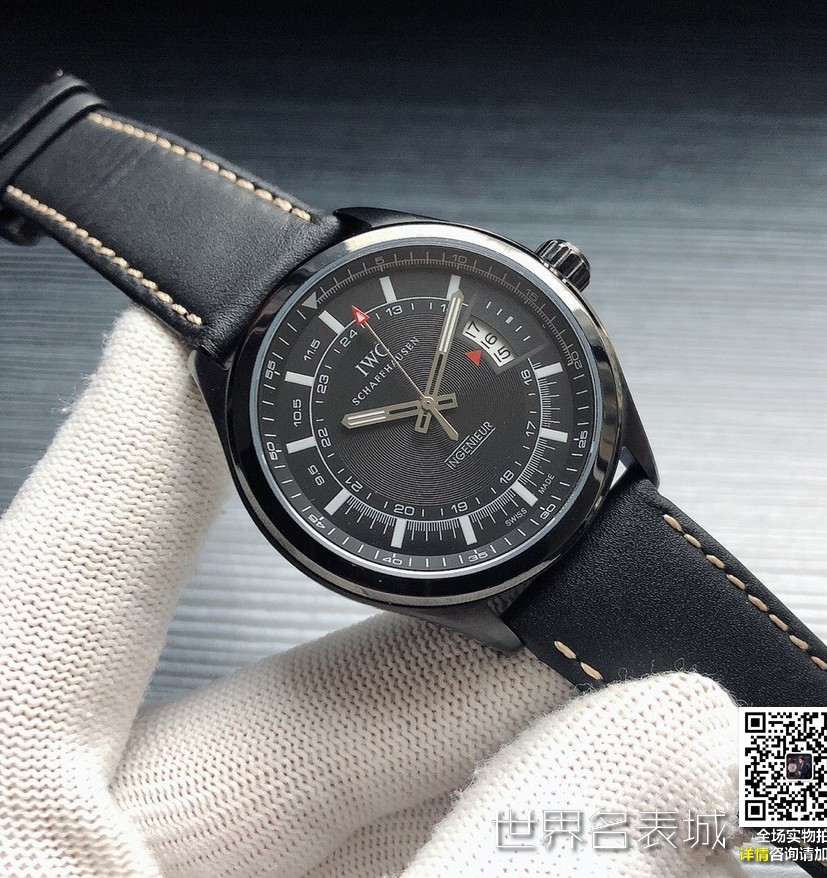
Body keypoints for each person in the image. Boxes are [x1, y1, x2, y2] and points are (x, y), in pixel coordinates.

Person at [0, 308, 747, 877]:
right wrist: (815, 819)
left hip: (586, 538)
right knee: (716, 762)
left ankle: (821, 816)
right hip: (547, 583)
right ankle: (821, 811)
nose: (427, 411)